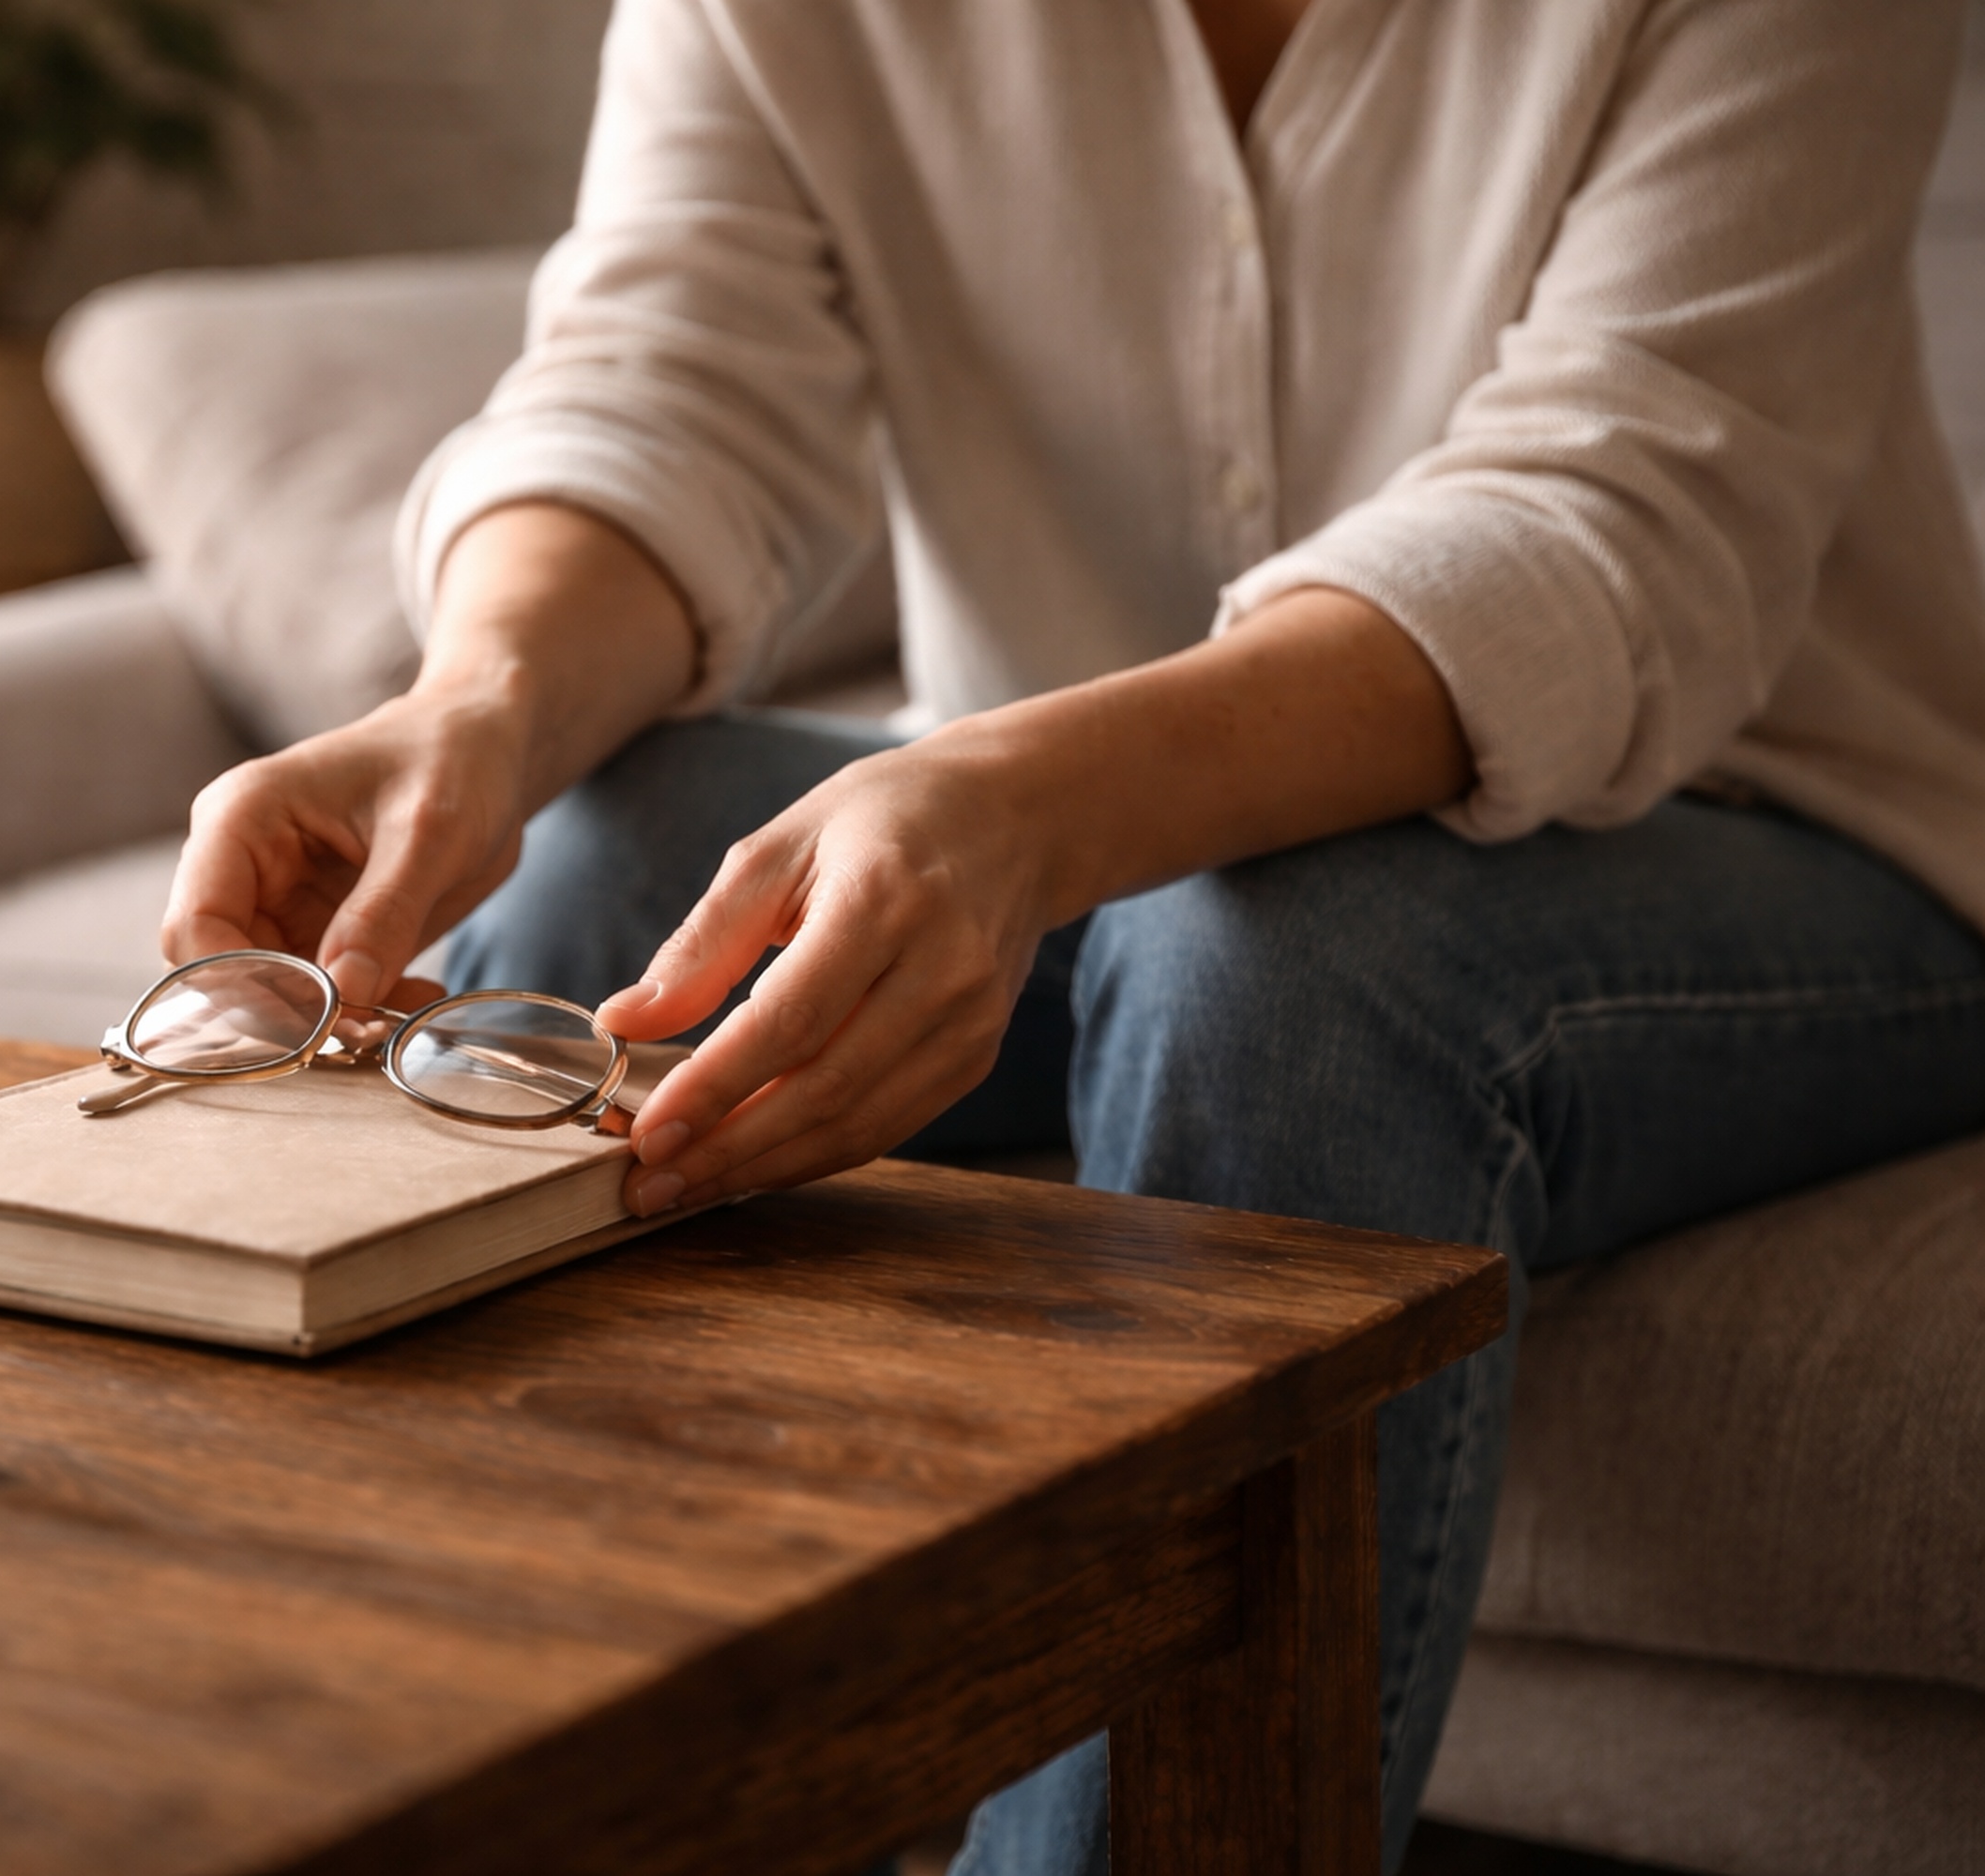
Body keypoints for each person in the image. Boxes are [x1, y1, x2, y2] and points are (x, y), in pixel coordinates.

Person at [161, 0, 1985, 1867]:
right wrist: (477, 707)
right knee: (593, 851)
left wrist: (1018, 806)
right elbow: (668, 382)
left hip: (1784, 831)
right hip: (1075, 805)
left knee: (1278, 973)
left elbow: (1617, 517)